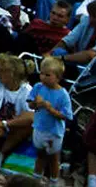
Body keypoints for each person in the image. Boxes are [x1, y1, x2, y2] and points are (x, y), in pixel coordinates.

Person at [30, 56, 72, 184]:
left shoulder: (63, 94)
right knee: (40, 155)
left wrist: (50, 109)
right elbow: (30, 104)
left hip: (53, 132)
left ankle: (54, 180)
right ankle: (36, 179)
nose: (43, 77)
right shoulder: (38, 87)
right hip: (39, 128)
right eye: (41, 73)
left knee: (53, 158)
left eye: (47, 75)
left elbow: (66, 116)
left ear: (58, 77)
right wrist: (35, 103)